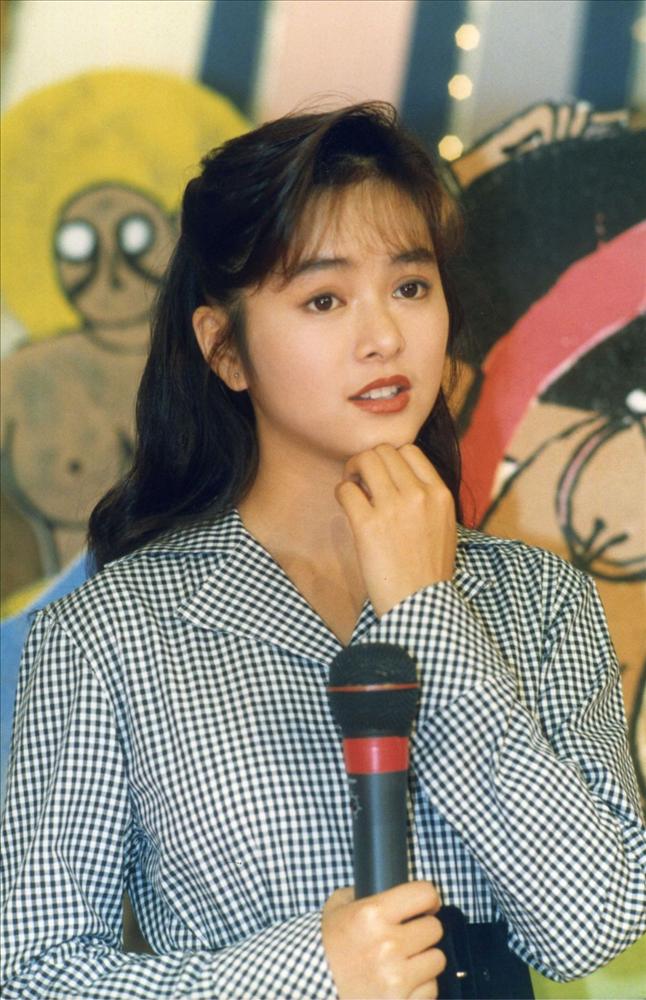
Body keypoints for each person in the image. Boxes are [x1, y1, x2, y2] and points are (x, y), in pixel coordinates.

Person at [1, 103, 644, 1000]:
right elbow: (32, 974)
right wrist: (310, 971)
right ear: (225, 349)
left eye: (410, 287)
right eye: (325, 299)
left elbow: (594, 921)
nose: (384, 337)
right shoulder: (110, 634)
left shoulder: (538, 598)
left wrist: (427, 611)